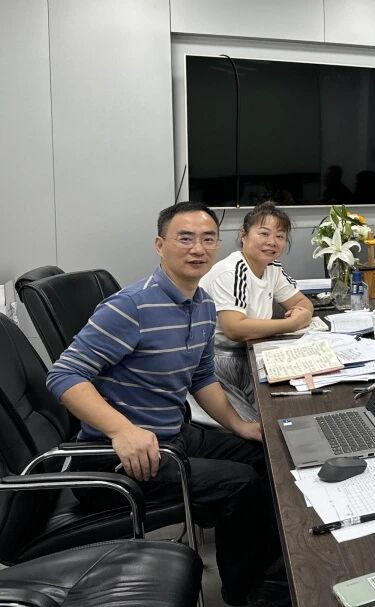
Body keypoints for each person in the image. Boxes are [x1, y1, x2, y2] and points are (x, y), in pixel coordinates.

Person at [45, 201, 288, 607]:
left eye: (208, 239)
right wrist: (122, 430)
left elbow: (201, 378)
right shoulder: (131, 306)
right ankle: (249, 596)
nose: (198, 249)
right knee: (241, 484)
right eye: (185, 239)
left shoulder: (204, 304)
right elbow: (63, 375)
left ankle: (269, 577)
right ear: (160, 245)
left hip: (171, 436)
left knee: (268, 454)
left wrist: (238, 425)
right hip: (117, 458)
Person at [200, 201, 313, 422]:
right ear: (244, 235)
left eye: (280, 236)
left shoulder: (272, 267)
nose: (272, 242)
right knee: (261, 426)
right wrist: (292, 323)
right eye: (264, 233)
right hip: (219, 363)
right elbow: (235, 329)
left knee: (291, 410)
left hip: (251, 353)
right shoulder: (233, 271)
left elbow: (302, 302)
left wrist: (304, 314)